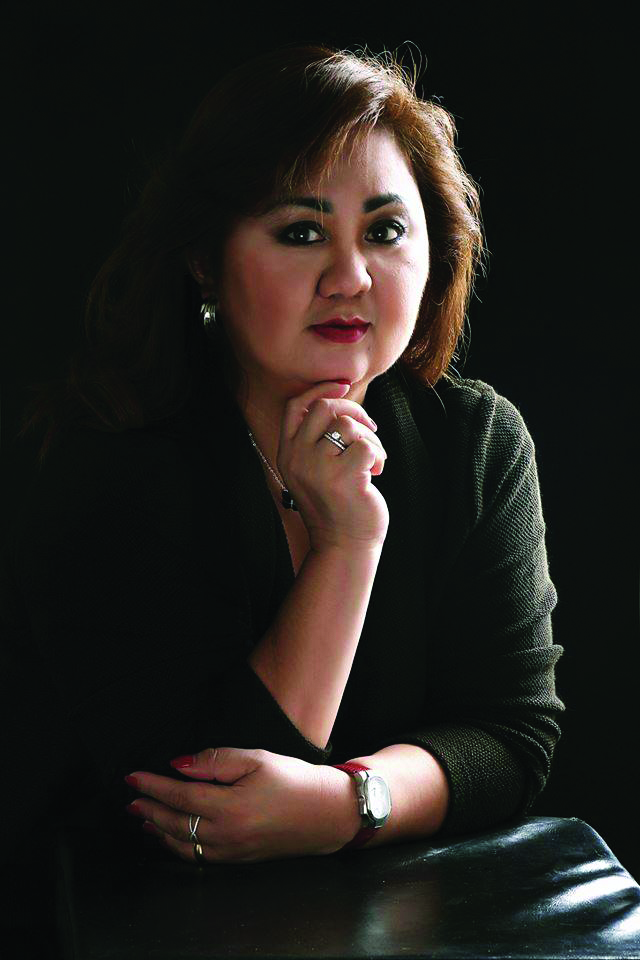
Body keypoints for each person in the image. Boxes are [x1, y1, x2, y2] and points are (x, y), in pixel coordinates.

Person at [1, 38, 563, 930]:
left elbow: (511, 737)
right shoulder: (105, 458)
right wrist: (346, 545)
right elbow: (210, 808)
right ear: (205, 259)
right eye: (301, 232)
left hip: (405, 923)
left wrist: (349, 805)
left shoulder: (475, 441)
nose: (351, 277)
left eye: (385, 231)